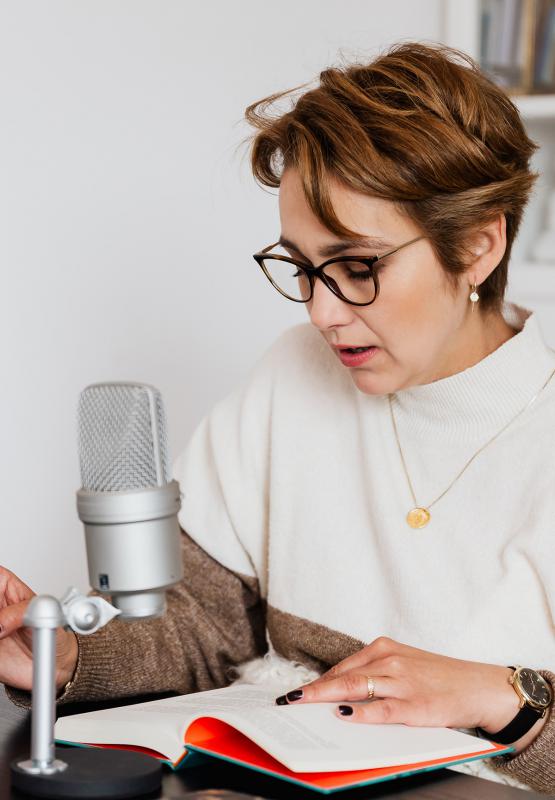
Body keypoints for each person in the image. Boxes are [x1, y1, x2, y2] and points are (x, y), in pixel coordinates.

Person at [1, 42, 554, 793]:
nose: (322, 311)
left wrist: (505, 699)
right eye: (300, 267)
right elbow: (203, 627)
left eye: (358, 268)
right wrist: (63, 657)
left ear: (479, 246)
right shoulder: (292, 376)